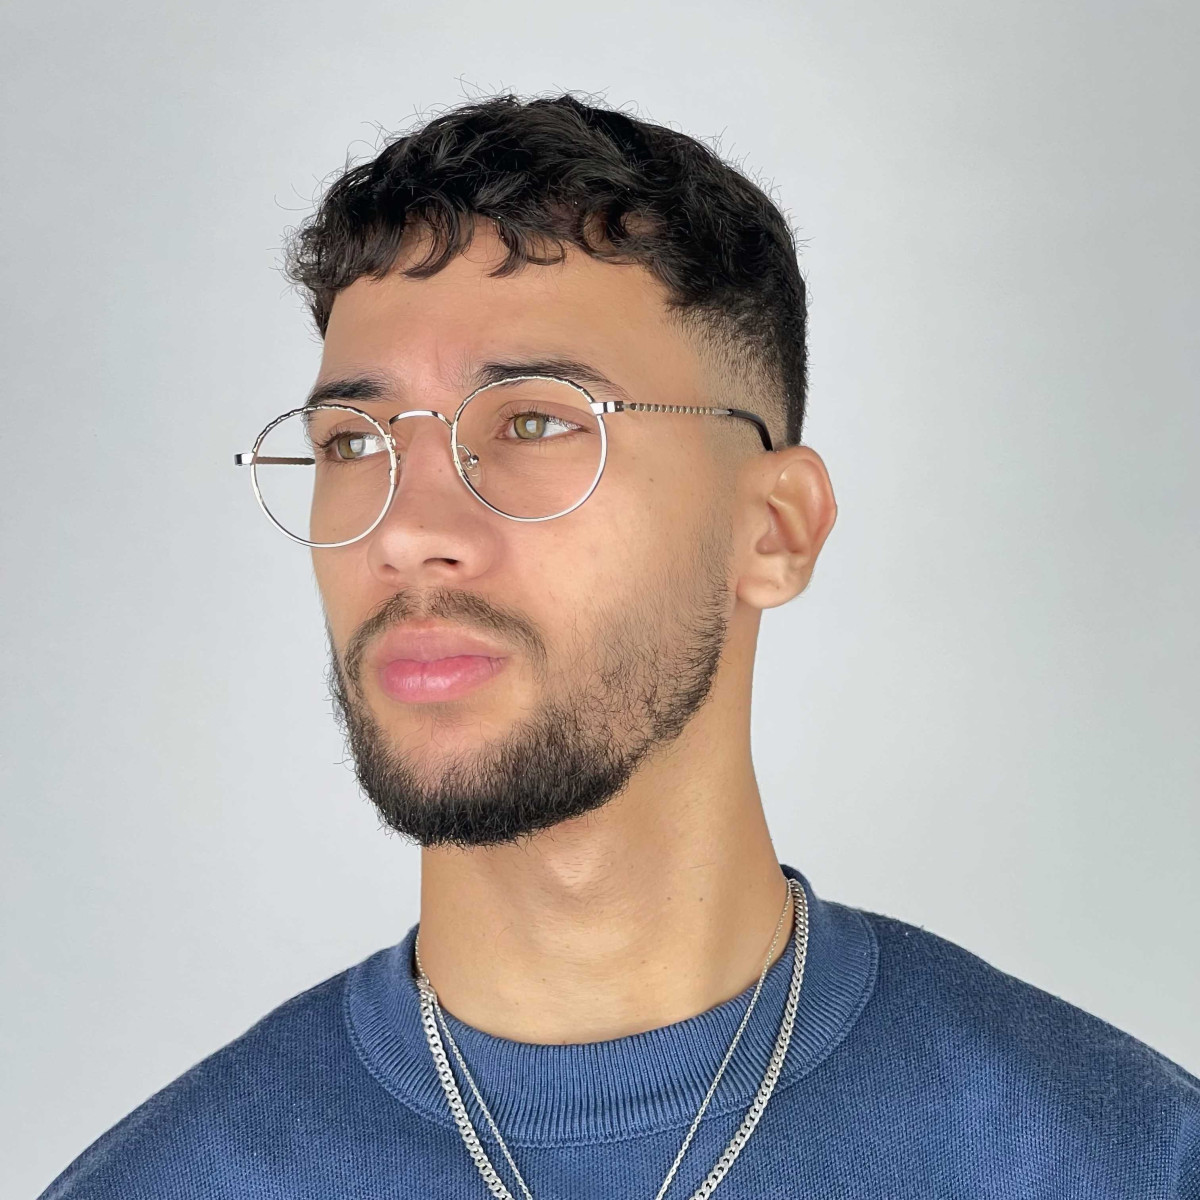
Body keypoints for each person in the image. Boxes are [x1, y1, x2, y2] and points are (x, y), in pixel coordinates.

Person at [41, 93, 1199, 1199]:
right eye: (354, 442)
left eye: (534, 421)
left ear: (774, 530)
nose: (406, 532)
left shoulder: (1124, 1162)